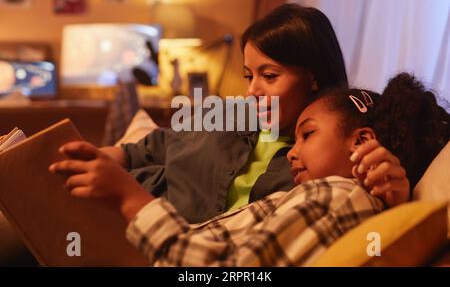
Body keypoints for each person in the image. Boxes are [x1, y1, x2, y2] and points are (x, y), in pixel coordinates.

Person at [49, 73, 450, 266]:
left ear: (361, 141)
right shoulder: (236, 125)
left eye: (307, 135)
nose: (252, 90)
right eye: (247, 74)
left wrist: (129, 198)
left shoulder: (338, 194)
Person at [77, 4, 407, 224]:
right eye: (250, 75)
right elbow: (148, 147)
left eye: (270, 75)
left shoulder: (328, 155)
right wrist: (102, 157)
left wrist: (395, 195)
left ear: (313, 76)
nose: (252, 91)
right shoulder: (228, 114)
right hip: (105, 212)